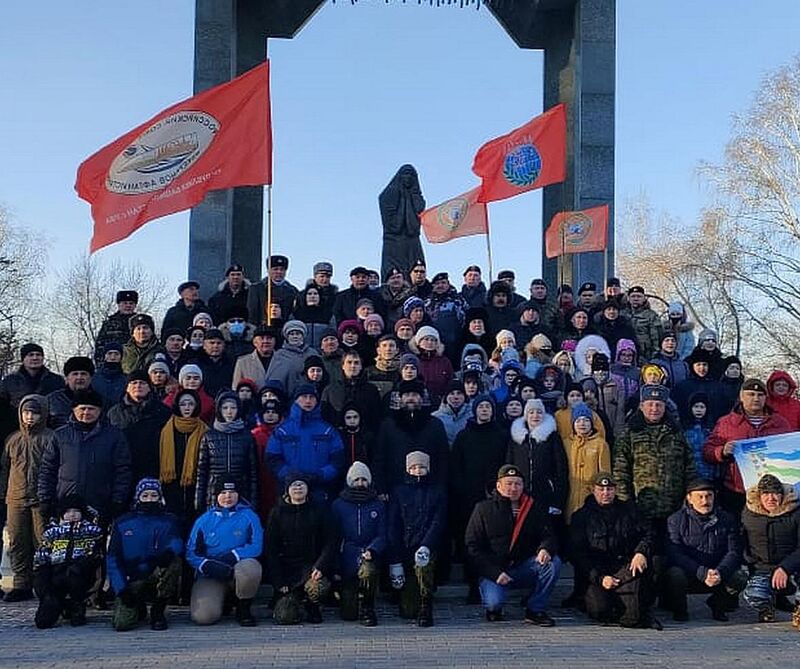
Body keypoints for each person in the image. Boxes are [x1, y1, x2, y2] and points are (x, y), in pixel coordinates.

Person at [465, 464, 561, 626]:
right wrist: (494, 573)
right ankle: (494, 608)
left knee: (553, 563)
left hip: (523, 567)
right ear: (498, 485)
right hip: (495, 571)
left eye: (517, 484)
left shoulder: (533, 507)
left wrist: (545, 548)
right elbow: (472, 547)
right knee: (493, 603)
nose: (513, 488)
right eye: (509, 483)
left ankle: (535, 609)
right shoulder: (483, 509)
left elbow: (548, 535)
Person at [570, 472, 658, 628]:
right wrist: (600, 578)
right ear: (593, 490)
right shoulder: (581, 516)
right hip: (597, 573)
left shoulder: (628, 511)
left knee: (633, 617)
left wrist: (641, 552)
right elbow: (578, 555)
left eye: (609, 489)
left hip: (624, 569)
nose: (606, 493)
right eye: (601, 489)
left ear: (615, 490)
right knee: (600, 611)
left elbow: (648, 533)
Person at [38, 388, 132, 527]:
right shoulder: (60, 435)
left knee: (96, 545)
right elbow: (48, 469)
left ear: (99, 411)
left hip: (100, 503)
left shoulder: (114, 436)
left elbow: (123, 469)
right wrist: (45, 498)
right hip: (66, 504)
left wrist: (118, 499)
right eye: (82, 408)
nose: (86, 413)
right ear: (74, 410)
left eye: (91, 409)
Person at [613, 384, 697, 534]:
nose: (654, 408)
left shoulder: (676, 431)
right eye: (650, 404)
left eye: (659, 404)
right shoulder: (630, 432)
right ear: (641, 406)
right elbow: (620, 471)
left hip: (674, 506)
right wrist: (625, 502)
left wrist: (691, 498)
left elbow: (689, 466)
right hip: (641, 506)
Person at [703, 378, 791, 516]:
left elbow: (792, 449)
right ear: (741, 396)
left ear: (766, 398)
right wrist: (722, 451)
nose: (756, 398)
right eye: (751, 394)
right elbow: (708, 451)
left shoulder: (780, 423)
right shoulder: (726, 422)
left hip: (771, 494)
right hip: (736, 490)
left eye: (760, 395)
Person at [449, 395, 507, 602]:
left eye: (487, 407)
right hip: (468, 499)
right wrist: (462, 488)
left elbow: (506, 464)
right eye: (480, 407)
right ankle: (473, 585)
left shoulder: (501, 435)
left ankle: (492, 581)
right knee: (471, 543)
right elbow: (455, 466)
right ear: (474, 410)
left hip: (496, 499)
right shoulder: (464, 436)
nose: (484, 410)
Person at [662, 480, 745, 621]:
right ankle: (680, 610)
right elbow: (675, 554)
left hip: (716, 571)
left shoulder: (727, 519)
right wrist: (701, 572)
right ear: (689, 498)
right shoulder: (675, 520)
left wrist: (720, 571)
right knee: (674, 574)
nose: (705, 501)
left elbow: (734, 551)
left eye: (708, 496)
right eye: (699, 497)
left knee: (739, 577)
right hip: (690, 571)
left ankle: (718, 604)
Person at [107, 479, 183, 631]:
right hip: (131, 577)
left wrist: (168, 553)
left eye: (154, 495)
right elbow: (112, 558)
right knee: (122, 624)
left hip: (156, 571)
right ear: (138, 497)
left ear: (159, 497)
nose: (149, 499)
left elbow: (177, 542)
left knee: (174, 562)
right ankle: (137, 605)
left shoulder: (169, 520)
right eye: (145, 495)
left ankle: (158, 609)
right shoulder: (123, 522)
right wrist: (121, 589)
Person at [186, 477, 263, 626]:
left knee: (251, 568)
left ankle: (243, 607)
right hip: (212, 572)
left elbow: (257, 546)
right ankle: (224, 600)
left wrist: (234, 556)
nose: (228, 496)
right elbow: (191, 552)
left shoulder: (249, 516)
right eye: (223, 492)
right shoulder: (204, 520)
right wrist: (206, 565)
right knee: (204, 617)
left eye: (232, 492)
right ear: (216, 495)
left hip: (238, 568)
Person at [0, 395, 56, 601]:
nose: (30, 417)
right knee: (17, 543)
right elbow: (5, 469)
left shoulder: (51, 438)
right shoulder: (13, 440)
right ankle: (21, 583)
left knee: (43, 541)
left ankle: (44, 583)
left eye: (35, 412)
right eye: (26, 412)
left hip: (41, 499)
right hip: (15, 499)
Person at [266, 475, 337, 625]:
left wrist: (321, 566)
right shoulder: (277, 513)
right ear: (287, 491)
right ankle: (292, 602)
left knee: (318, 587)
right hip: (287, 571)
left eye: (301, 485)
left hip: (311, 568)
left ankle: (313, 605)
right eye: (294, 485)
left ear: (308, 489)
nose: (298, 488)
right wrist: (278, 580)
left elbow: (330, 542)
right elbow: (270, 549)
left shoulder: (319, 511)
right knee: (286, 617)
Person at [387, 451, 446, 627]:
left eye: (421, 467)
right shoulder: (399, 491)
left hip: (427, 546)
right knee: (407, 611)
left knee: (423, 566)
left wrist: (426, 545)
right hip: (406, 546)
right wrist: (395, 560)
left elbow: (438, 521)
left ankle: (426, 605)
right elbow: (393, 524)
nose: (418, 470)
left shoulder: (437, 491)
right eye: (413, 467)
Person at [32, 495, 104, 628]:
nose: (72, 515)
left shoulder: (91, 532)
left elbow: (94, 554)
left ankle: (76, 606)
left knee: (75, 576)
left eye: (76, 511)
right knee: (43, 620)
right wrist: (43, 568)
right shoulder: (52, 532)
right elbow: (43, 553)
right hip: (56, 572)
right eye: (68, 512)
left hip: (79, 572)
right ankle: (54, 603)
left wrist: (84, 563)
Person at [266, 384, 345, 503]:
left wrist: (320, 475)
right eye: (304, 396)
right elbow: (272, 460)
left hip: (321, 490)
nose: (308, 400)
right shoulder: (282, 430)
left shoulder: (328, 430)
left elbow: (337, 460)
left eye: (312, 397)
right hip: (290, 492)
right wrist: (292, 477)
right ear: (296, 399)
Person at [331, 462, 386, 626]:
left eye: (363, 479)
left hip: (369, 552)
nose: (360, 483)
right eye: (356, 480)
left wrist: (373, 549)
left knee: (368, 570)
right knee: (348, 614)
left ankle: (368, 606)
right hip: (347, 553)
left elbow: (383, 534)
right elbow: (333, 537)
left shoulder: (378, 505)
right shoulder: (338, 505)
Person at [741, 474, 800, 625]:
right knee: (753, 595)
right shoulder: (748, 514)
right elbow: (740, 542)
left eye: (775, 493)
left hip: (794, 566)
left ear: (782, 495)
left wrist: (785, 568)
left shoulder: (796, 513)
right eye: (766, 494)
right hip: (763, 568)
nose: (771, 498)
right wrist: (751, 562)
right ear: (759, 496)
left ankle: (798, 611)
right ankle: (767, 607)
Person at [373, 380, 449, 495]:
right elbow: (380, 458)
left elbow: (442, 458)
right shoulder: (388, 425)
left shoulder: (435, 424)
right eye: (407, 395)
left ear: (421, 398)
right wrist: (381, 488)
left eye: (414, 395)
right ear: (400, 399)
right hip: (395, 488)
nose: (410, 398)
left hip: (428, 489)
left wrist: (439, 487)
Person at [194, 391, 258, 511]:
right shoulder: (208, 436)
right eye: (225, 408)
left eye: (233, 408)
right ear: (219, 410)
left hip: (241, 494)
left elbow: (253, 474)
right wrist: (199, 500)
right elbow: (201, 472)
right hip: (213, 495)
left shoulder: (247, 437)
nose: (229, 411)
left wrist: (253, 501)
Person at [107, 370, 172, 484]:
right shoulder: (114, 413)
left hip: (154, 469)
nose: (138, 386)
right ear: (127, 387)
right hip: (123, 471)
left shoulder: (163, 411)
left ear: (149, 387)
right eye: (134, 383)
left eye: (142, 383)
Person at [507, 398, 568, 517]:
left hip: (546, 495)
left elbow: (561, 469)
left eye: (539, 412)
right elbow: (509, 465)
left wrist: (558, 501)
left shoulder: (552, 437)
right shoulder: (516, 438)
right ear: (526, 415)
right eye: (531, 412)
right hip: (521, 495)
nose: (535, 415)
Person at [562, 403, 611, 523]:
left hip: (591, 497)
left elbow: (605, 473)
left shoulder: (600, 444)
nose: (582, 424)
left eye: (586, 420)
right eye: (578, 421)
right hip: (569, 497)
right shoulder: (566, 443)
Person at [379, 164, 426, 280]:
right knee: (392, 270)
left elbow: (420, 210)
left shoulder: (417, 196)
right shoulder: (389, 193)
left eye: (411, 175)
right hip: (393, 239)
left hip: (412, 239)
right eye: (405, 174)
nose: (408, 178)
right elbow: (390, 220)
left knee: (417, 266)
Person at [321, 350, 383, 431]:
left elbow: (376, 417)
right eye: (349, 362)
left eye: (356, 363)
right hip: (338, 437)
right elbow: (325, 416)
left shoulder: (371, 390)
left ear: (361, 367)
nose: (353, 366)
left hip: (365, 438)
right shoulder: (330, 390)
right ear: (343, 366)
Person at [265, 320, 318, 398]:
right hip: (287, 398)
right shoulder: (280, 355)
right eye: (291, 334)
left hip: (310, 397)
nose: (295, 336)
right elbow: (273, 379)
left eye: (298, 334)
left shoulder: (313, 353)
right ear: (287, 337)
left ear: (303, 336)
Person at [424, 272, 466, 362]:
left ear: (448, 284)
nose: (440, 286)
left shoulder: (457, 300)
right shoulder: (427, 302)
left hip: (455, 344)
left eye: (443, 283)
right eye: (437, 283)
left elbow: (464, 321)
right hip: (433, 343)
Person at [47, 356, 95, 429]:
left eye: (83, 374)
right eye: (75, 374)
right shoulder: (51, 401)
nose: (79, 377)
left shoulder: (100, 402)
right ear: (67, 378)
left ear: (90, 378)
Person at [94, 290, 139, 363]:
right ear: (119, 304)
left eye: (131, 303)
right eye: (125, 303)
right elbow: (100, 347)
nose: (128, 305)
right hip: (113, 364)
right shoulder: (109, 324)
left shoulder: (141, 323)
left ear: (135, 305)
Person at [231, 324, 278, 390]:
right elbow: (236, 388)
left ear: (274, 341)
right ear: (254, 342)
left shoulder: (283, 361)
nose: (265, 341)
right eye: (262, 338)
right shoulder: (242, 362)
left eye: (269, 338)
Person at [624, 286, 662, 360]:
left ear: (644, 298)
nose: (636, 299)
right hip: (625, 355)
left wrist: (655, 355)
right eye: (633, 296)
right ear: (628, 298)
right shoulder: (622, 314)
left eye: (639, 296)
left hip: (645, 356)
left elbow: (656, 338)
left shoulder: (651, 315)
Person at [432, 380, 470, 447]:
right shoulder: (435, 417)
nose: (455, 397)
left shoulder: (472, 416)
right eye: (452, 393)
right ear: (446, 397)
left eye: (459, 393)